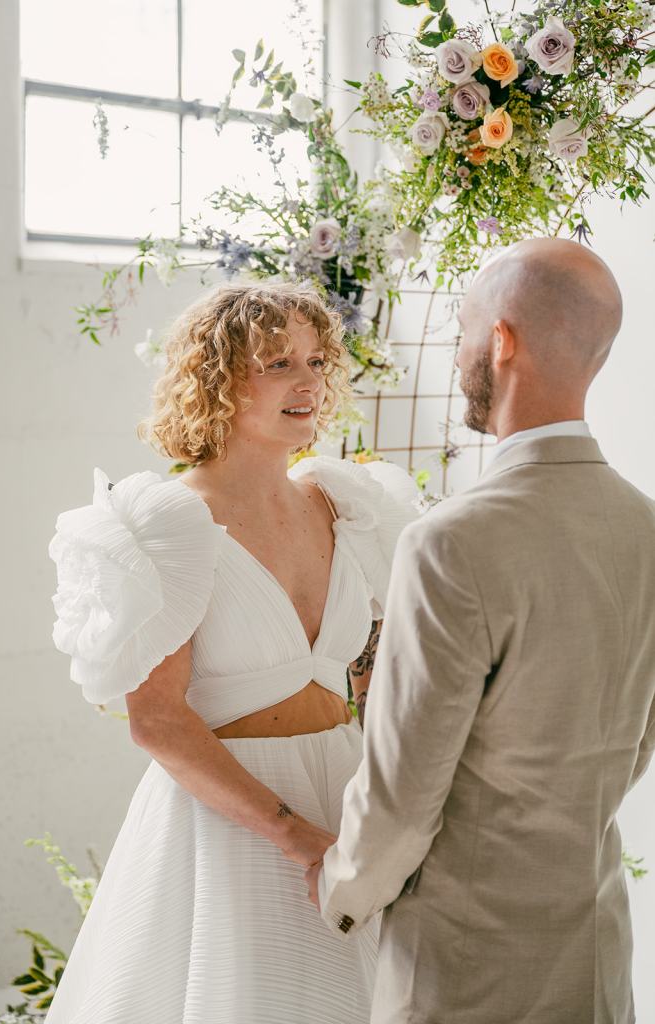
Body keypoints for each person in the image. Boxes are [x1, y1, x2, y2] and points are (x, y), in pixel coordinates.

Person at [46, 281, 423, 1024]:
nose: (309, 381)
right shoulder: (167, 523)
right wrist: (296, 837)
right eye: (278, 362)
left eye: (317, 360)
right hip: (231, 830)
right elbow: (156, 721)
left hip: (347, 806)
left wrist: (390, 816)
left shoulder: (343, 504)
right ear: (216, 380)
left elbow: (373, 682)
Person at [308, 238, 655, 1024]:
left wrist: (339, 886)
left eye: (463, 328)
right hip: (596, 950)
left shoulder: (451, 542)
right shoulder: (646, 527)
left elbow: (402, 795)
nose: (460, 349)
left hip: (462, 967)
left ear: (501, 341)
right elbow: (635, 745)